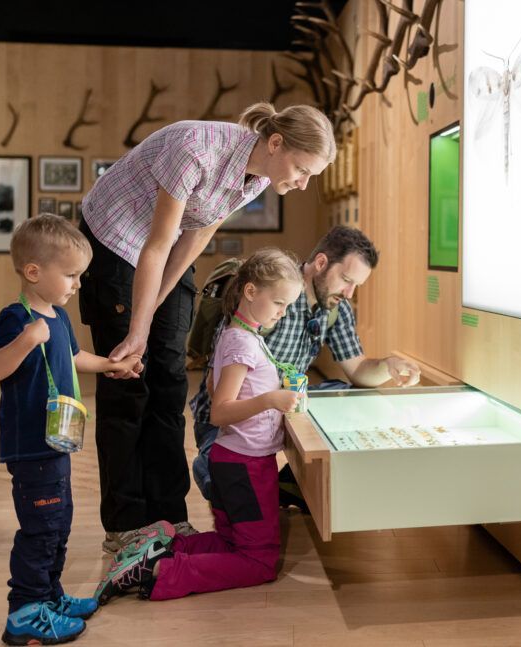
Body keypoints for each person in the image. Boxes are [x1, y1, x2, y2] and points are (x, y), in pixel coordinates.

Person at [77, 103, 335, 554]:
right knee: (128, 380)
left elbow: (195, 237)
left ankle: (169, 515)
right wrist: (137, 327)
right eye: (302, 170)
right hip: (115, 241)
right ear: (276, 144)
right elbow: (155, 246)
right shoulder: (195, 150)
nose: (302, 183)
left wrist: (155, 307)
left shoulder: (256, 178)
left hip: (165, 247)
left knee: (169, 380)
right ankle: (125, 523)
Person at [93, 247, 305, 603]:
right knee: (260, 561)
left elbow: (212, 384)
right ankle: (160, 571)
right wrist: (271, 399)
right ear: (251, 291)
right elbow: (219, 411)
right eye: (279, 303)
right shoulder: (242, 343)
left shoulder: (239, 334)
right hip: (244, 466)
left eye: (288, 306)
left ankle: (161, 547)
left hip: (236, 462)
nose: (283, 313)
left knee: (230, 542)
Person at [0, 215, 141, 645]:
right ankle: (24, 612)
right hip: (30, 446)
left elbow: (73, 358)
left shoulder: (58, 317)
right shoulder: (16, 319)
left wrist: (111, 365)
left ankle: (49, 597)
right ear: (34, 272)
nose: (77, 284)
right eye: (71, 275)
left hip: (57, 443)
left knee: (58, 524)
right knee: (40, 530)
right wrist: (25, 341)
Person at [189, 225, 421, 501]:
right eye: (346, 280)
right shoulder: (273, 294)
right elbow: (215, 385)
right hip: (232, 419)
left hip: (280, 409)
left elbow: (358, 370)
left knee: (346, 394)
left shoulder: (336, 308)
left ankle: (289, 484)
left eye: (356, 286)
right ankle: (218, 469)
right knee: (224, 486)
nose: (349, 293)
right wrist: (263, 405)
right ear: (321, 263)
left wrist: (388, 365)